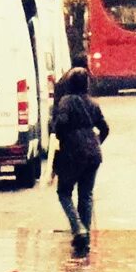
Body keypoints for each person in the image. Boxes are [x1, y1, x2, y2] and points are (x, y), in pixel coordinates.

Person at [50, 65, 109, 256]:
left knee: (64, 192)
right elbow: (105, 128)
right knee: (86, 195)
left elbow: (60, 125)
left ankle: (78, 229)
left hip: (72, 152)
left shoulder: (66, 101)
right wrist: (95, 142)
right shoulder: (93, 103)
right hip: (93, 153)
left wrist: (57, 128)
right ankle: (85, 236)